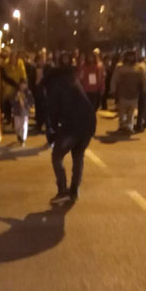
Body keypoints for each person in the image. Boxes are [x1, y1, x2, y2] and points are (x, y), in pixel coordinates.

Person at [48, 66, 97, 203]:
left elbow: (54, 111)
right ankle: (74, 191)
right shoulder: (74, 81)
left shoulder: (57, 86)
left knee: (57, 156)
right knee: (78, 156)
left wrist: (53, 131)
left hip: (73, 126)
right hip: (89, 124)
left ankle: (62, 190)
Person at [110, 50, 146, 133]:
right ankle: (122, 126)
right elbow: (114, 79)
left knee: (131, 112)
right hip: (122, 93)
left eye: (132, 56)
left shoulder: (139, 68)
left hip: (134, 93)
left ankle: (129, 126)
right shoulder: (120, 67)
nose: (131, 58)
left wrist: (145, 89)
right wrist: (113, 89)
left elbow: (144, 80)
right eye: (129, 56)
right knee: (122, 111)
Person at [1, 49, 27, 125]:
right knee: (8, 102)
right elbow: (5, 77)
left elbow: (23, 74)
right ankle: (8, 117)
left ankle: (15, 119)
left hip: (18, 85)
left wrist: (22, 84)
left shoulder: (20, 63)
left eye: (14, 58)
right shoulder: (5, 64)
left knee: (17, 103)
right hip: (8, 86)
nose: (13, 60)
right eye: (11, 58)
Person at [11, 79, 34, 146]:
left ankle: (23, 139)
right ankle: (19, 135)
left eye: (24, 84)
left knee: (24, 125)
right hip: (16, 112)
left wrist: (26, 104)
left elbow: (31, 102)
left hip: (24, 112)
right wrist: (16, 98)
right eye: (21, 84)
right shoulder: (16, 92)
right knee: (17, 126)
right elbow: (11, 101)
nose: (22, 86)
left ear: (26, 85)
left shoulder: (28, 93)